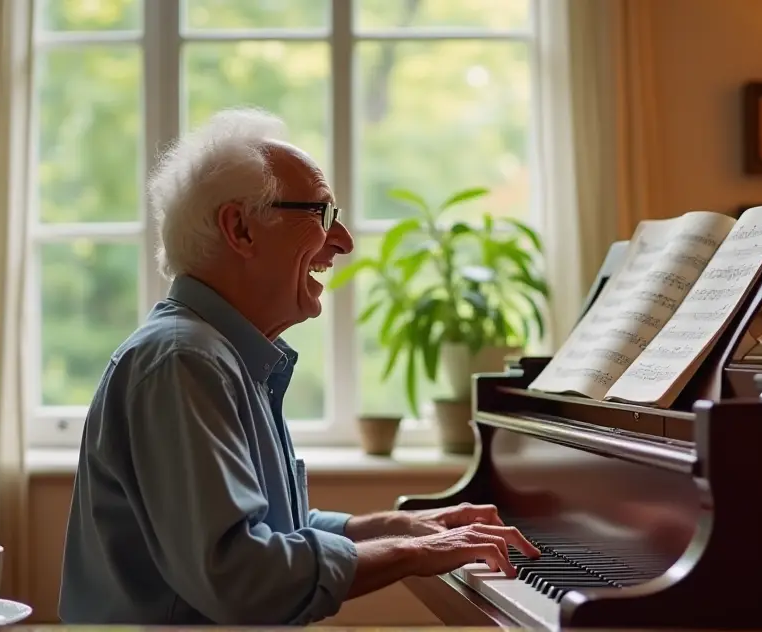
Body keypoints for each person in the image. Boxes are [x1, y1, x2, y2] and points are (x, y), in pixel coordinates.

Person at [57, 107, 540, 626]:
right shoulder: (185, 361)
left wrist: (402, 527)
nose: (344, 242)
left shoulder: (218, 354)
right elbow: (243, 575)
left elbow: (270, 531)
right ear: (239, 228)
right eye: (321, 214)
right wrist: (413, 555)